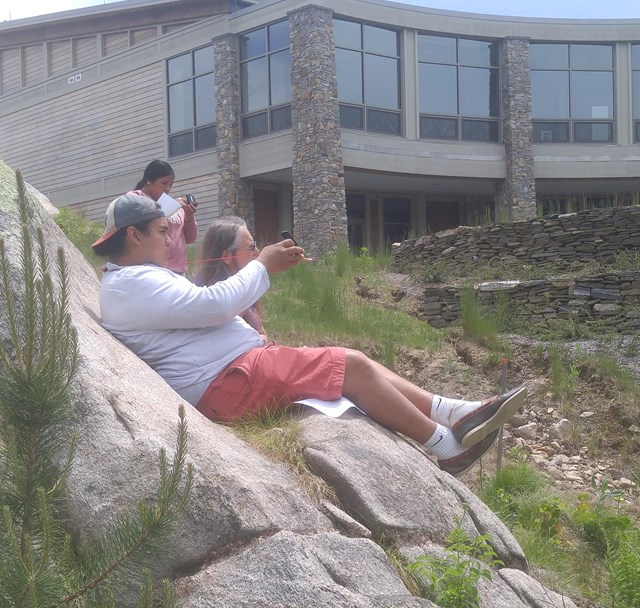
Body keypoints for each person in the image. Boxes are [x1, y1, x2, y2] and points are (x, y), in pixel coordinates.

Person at [92, 194, 527, 477]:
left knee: (353, 359)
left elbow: (205, 311)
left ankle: (453, 412)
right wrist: (262, 264)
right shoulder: (133, 284)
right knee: (351, 365)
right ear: (134, 235)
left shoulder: (134, 279)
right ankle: (447, 445)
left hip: (236, 371)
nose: (171, 236)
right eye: (162, 230)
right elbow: (212, 307)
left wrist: (261, 269)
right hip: (229, 381)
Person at [195, 216, 267, 342]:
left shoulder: (245, 285)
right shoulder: (207, 298)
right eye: (250, 247)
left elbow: (261, 332)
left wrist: (262, 342)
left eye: (255, 245)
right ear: (227, 256)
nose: (257, 252)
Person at [130, 159, 197, 275]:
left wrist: (189, 216)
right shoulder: (135, 198)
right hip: (154, 269)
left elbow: (190, 238)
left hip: (179, 271)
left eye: (170, 185)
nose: (167, 189)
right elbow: (147, 219)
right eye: (164, 183)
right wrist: (171, 204)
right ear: (149, 180)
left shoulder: (176, 207)